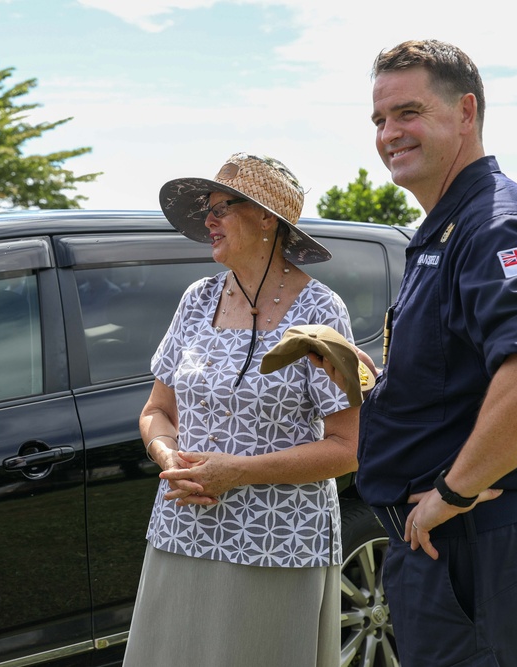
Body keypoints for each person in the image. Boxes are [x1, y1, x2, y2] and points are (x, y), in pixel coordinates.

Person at [361, 40, 517, 666]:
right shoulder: (448, 225)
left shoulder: (494, 222)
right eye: (379, 120)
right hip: (446, 545)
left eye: (408, 112)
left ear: (466, 112)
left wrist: (450, 494)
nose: (389, 133)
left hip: (474, 540)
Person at [123, 153, 359, 667]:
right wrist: (168, 458)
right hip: (183, 529)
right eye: (207, 209)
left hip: (277, 543)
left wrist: (237, 473)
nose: (208, 220)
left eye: (221, 208)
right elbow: (157, 411)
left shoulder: (320, 309)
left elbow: (348, 449)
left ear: (267, 218)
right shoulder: (195, 300)